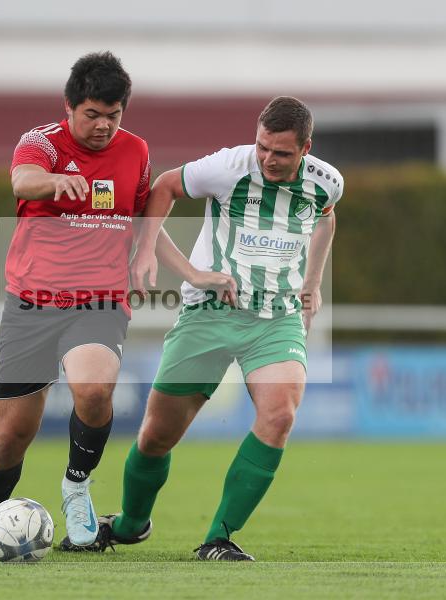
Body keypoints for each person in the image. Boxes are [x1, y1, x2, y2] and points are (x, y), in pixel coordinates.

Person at [62, 96, 343, 560]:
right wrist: (157, 254)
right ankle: (131, 524)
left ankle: (219, 538)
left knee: (280, 415)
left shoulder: (327, 183)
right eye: (263, 148)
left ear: (306, 149)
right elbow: (165, 186)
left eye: (283, 153)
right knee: (157, 435)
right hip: (209, 312)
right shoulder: (229, 166)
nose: (269, 159)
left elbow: (327, 220)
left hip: (276, 319)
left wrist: (312, 283)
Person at [0, 51, 152, 558]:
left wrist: (156, 254)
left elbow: (143, 216)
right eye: (93, 115)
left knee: (93, 389)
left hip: (101, 299)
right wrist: (55, 182)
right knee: (10, 436)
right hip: (32, 303)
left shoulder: (136, 153)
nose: (104, 126)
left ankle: (77, 486)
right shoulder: (40, 143)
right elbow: (21, 181)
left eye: (114, 115)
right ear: (70, 106)